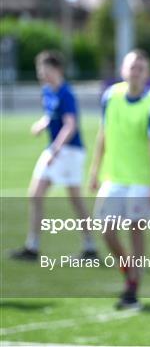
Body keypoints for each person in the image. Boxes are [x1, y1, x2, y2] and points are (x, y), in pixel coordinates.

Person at [89, 49, 150, 309]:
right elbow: (103, 133)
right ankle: (129, 271)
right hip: (115, 177)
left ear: (147, 73)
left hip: (141, 180)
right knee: (106, 230)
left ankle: (133, 289)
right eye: (132, 67)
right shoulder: (111, 96)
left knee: (136, 233)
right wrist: (95, 170)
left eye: (141, 68)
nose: (136, 72)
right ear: (123, 70)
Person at [11, 50, 98, 261]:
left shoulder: (65, 93)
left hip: (68, 151)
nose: (42, 74)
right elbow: (52, 116)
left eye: (45, 69)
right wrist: (42, 124)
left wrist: (55, 150)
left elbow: (70, 125)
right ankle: (89, 247)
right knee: (69, 199)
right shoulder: (48, 91)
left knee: (37, 194)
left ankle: (33, 247)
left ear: (57, 69)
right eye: (39, 70)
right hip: (61, 151)